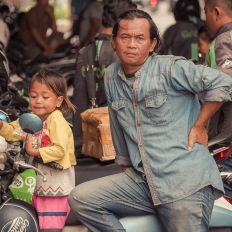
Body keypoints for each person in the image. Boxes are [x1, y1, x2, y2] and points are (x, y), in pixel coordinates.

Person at [68, 9, 232, 232]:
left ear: (153, 44)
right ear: (113, 41)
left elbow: (223, 83)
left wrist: (199, 125)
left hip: (183, 183)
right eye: (125, 37)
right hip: (142, 181)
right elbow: (117, 124)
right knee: (81, 198)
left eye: (140, 38)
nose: (131, 44)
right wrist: (125, 163)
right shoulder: (111, 75)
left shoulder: (171, 68)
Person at [0, 68, 76, 231]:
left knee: (50, 223)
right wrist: (2, 126)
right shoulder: (31, 119)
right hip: (41, 181)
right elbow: (13, 131)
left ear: (58, 101)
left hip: (56, 185)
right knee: (40, 217)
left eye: (45, 97)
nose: (38, 101)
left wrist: (34, 151)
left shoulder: (57, 121)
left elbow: (60, 150)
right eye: (34, 96)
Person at [72, 0, 137, 158]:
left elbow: (79, 101)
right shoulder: (128, 53)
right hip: (124, 143)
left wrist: (79, 143)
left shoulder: (85, 52)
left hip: (94, 141)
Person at [204, 0, 232, 140]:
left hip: (227, 139)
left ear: (216, 12)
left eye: (205, 12)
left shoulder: (223, 40)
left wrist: (198, 125)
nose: (205, 19)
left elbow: (223, 84)